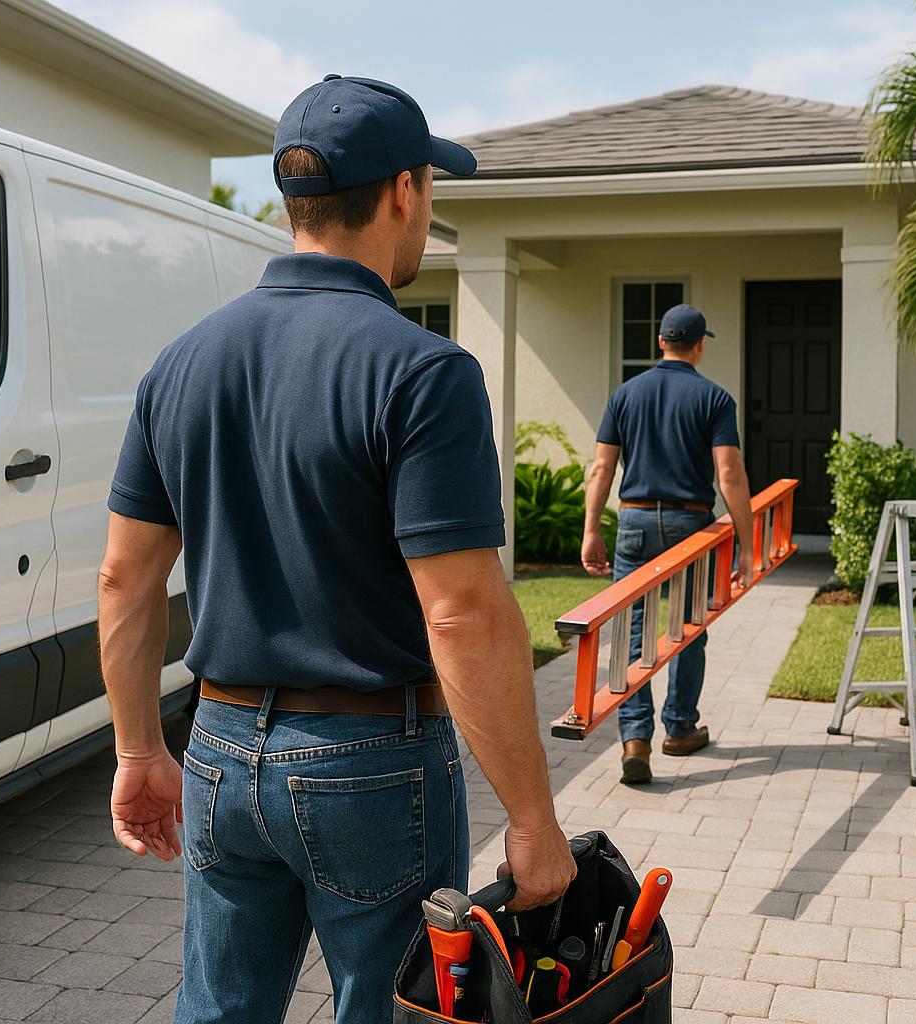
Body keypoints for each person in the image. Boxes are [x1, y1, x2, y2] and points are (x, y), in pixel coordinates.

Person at [96, 75, 575, 1024]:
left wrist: (137, 748)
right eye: (431, 188)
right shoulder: (425, 371)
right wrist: (532, 818)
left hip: (220, 749)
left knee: (218, 1010)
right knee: (393, 1010)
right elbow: (462, 611)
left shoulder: (181, 363)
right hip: (373, 762)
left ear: (294, 201)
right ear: (404, 191)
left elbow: (124, 576)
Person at [581, 303, 754, 785]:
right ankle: (679, 728)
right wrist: (746, 540)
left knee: (633, 631)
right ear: (699, 345)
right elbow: (730, 473)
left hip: (634, 521)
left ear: (661, 342)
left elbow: (601, 468)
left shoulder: (625, 394)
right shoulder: (714, 398)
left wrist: (592, 528)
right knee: (688, 627)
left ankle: (635, 738)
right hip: (690, 526)